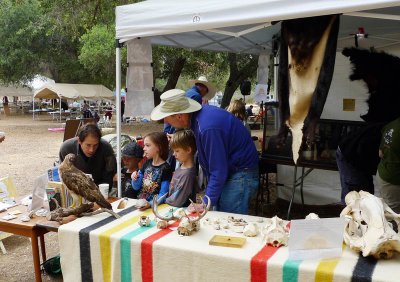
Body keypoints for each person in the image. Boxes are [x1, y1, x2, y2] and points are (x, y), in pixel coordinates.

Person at [151, 89, 259, 215]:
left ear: (179, 115)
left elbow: (218, 169)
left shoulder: (207, 127)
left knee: (229, 220)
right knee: (220, 215)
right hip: (233, 170)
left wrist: (205, 203)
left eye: (166, 118)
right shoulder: (200, 120)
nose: (166, 122)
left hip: (240, 173)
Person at [336, 122, 384, 204]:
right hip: (351, 154)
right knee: (355, 194)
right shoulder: (380, 134)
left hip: (359, 154)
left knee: (366, 192)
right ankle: (349, 214)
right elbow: (361, 150)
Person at [59, 123, 117, 190]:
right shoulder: (66, 148)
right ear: (79, 141)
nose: (91, 150)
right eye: (88, 145)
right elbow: (64, 175)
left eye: (95, 145)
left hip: (99, 189)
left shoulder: (106, 148)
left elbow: (108, 179)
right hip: (75, 189)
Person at [131, 132, 172, 210]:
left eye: (147, 145)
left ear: (158, 147)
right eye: (144, 145)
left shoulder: (166, 168)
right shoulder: (147, 163)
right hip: (140, 204)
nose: (144, 148)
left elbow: (163, 194)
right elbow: (136, 187)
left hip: (154, 208)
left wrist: (149, 204)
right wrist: (134, 178)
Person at [165, 129, 199, 207]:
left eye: (177, 151)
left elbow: (177, 201)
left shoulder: (187, 174)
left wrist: (163, 200)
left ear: (188, 150)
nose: (173, 154)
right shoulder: (182, 167)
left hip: (180, 211)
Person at [376, 116, 400, 213]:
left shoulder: (392, 124)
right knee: (393, 215)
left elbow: (380, 153)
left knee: (390, 210)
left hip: (385, 174)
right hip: (393, 179)